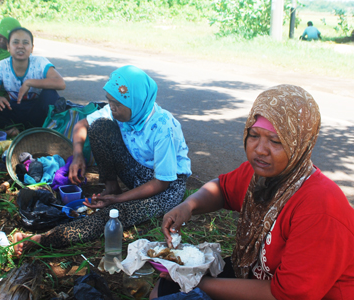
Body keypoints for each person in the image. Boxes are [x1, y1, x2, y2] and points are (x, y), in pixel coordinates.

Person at [150, 85, 354, 300]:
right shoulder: (260, 174)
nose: (260, 149)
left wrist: (197, 282)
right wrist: (188, 206)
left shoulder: (320, 209)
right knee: (163, 289)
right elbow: (222, 188)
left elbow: (285, 295)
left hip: (299, 294)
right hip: (256, 275)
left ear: (299, 144)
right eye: (254, 135)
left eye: (275, 141)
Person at [13, 65, 192, 256]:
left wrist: (119, 200)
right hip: (139, 171)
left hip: (165, 189)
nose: (112, 108)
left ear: (136, 102)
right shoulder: (122, 111)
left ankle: (45, 239)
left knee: (114, 214)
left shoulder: (163, 128)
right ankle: (111, 187)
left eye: (117, 104)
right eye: (109, 101)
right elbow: (82, 125)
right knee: (99, 126)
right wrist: (78, 155)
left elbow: (162, 182)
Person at [0, 27, 66, 135]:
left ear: (32, 48)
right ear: (8, 46)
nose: (20, 46)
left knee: (50, 93)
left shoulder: (40, 62)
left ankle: (45, 130)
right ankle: (9, 128)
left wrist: (29, 82)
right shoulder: (0, 66)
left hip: (36, 112)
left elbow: (60, 83)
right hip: (12, 110)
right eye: (15, 42)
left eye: (25, 43)